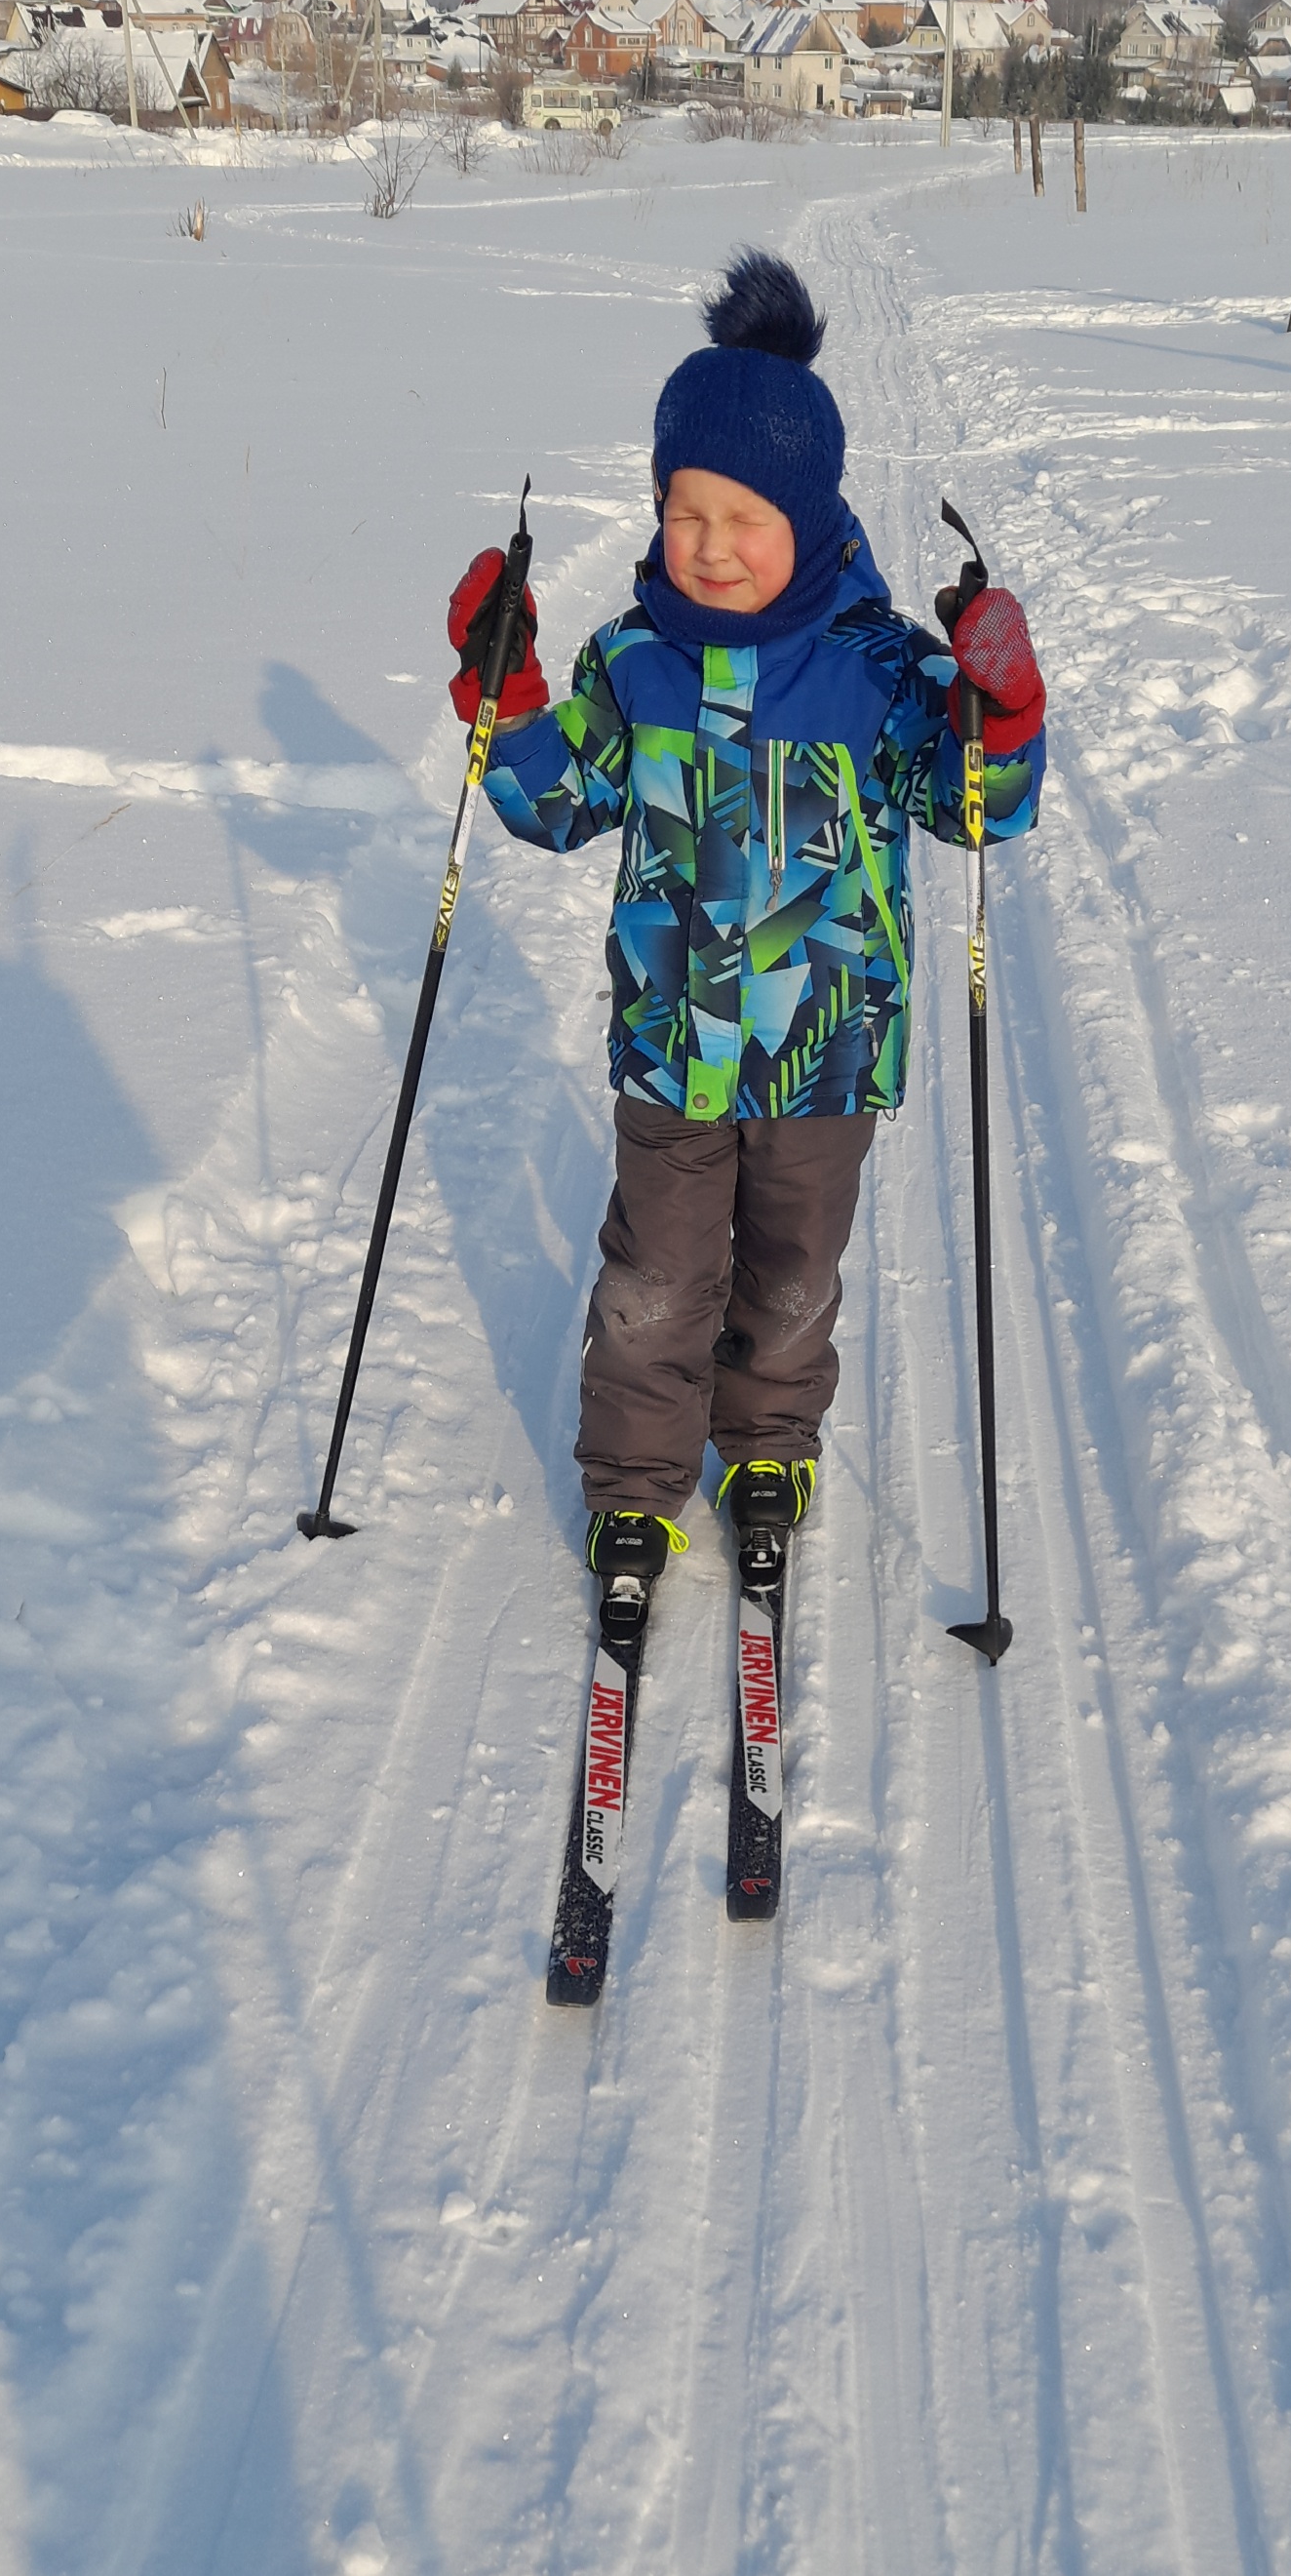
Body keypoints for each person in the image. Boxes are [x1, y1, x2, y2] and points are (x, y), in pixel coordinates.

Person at [442, 248, 1046, 1598]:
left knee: (789, 1275)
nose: (708, 546)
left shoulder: (879, 668)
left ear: (811, 515)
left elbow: (978, 809)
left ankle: (768, 1441)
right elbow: (554, 806)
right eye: (683, 513)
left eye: (744, 518)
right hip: (671, 1044)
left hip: (826, 1058)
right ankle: (635, 1485)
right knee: (654, 1282)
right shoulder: (636, 662)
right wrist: (510, 688)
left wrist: (998, 712)